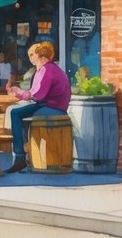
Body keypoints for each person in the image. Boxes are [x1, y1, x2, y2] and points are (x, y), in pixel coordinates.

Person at [5, 41, 72, 173]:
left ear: (40, 54)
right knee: (20, 114)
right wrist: (21, 94)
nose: (30, 59)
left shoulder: (47, 70)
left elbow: (38, 95)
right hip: (51, 104)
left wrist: (20, 92)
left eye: (31, 55)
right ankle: (26, 153)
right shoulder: (45, 69)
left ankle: (20, 157)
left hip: (52, 107)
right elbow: (34, 93)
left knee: (15, 113)